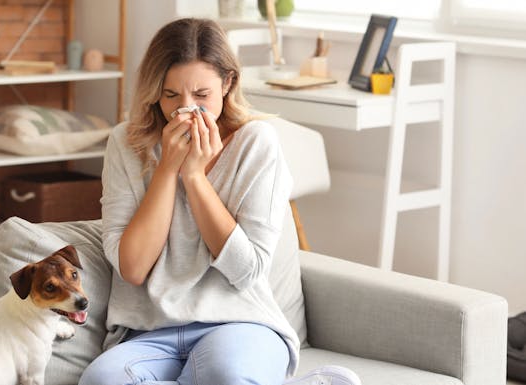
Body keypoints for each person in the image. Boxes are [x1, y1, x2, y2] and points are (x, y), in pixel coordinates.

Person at [79, 18, 360, 385]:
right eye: (170, 96)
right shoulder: (125, 144)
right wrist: (167, 170)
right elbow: (132, 268)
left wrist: (194, 178)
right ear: (153, 92)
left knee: (225, 375)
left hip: (239, 322)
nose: (185, 110)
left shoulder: (256, 143)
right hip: (146, 333)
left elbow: (246, 270)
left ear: (227, 84)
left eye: (201, 95)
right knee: (101, 382)